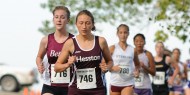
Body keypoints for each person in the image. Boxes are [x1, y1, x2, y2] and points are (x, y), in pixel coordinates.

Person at [54, 10, 113, 95]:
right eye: (81, 23)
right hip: (76, 90)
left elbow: (110, 61)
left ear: (92, 24)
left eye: (87, 23)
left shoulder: (101, 41)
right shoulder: (70, 43)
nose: (84, 26)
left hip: (98, 90)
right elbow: (57, 67)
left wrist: (107, 67)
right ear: (76, 24)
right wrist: (68, 64)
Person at [36, 6, 74, 95]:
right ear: (53, 19)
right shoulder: (46, 40)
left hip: (70, 86)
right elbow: (39, 57)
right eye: (56, 17)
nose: (59, 20)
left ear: (68, 20)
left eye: (62, 17)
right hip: (50, 85)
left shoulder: (74, 40)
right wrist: (39, 65)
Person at [108, 24, 140, 95]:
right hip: (115, 82)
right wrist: (112, 68)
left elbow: (137, 65)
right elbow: (104, 64)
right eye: (121, 33)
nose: (123, 35)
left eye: (125, 32)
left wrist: (137, 72)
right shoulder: (112, 48)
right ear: (117, 34)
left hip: (128, 82)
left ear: (128, 34)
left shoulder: (133, 50)